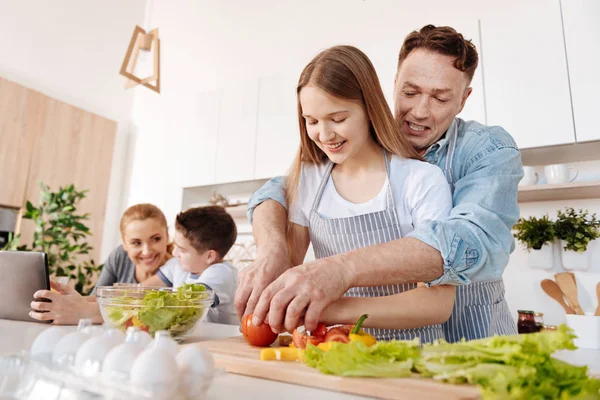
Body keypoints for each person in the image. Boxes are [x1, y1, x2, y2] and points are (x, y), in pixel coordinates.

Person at [236, 25, 523, 342]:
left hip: (478, 337)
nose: (420, 111)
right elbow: (279, 190)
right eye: (410, 92)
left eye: (440, 98)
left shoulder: (483, 152)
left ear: (463, 100)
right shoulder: (328, 167)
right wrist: (271, 251)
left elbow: (467, 242)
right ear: (393, 85)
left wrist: (338, 276)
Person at [29, 203, 173, 324]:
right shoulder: (119, 257)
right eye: (136, 243)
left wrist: (84, 309)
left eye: (156, 239)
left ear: (167, 235)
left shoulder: (178, 269)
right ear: (124, 243)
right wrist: (62, 302)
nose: (147, 251)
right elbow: (98, 298)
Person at [142, 206, 239, 325]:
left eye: (182, 250)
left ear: (209, 256)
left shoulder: (222, 273)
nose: (174, 252)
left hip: (219, 339)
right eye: (175, 245)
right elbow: (142, 289)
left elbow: (191, 299)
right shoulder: (178, 264)